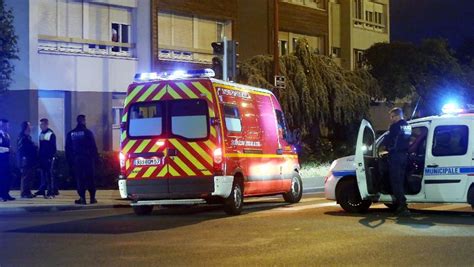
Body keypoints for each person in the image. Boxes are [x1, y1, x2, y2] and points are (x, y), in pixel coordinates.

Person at [383, 108, 412, 216]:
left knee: (396, 181)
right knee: (400, 180)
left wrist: (386, 144)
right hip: (404, 156)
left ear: (397, 116)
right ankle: (400, 204)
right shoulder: (407, 126)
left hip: (395, 156)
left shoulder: (395, 127)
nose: (391, 119)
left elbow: (389, 141)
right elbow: (406, 140)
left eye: (392, 117)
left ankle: (402, 206)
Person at [66, 115, 98, 205]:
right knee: (90, 178)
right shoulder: (88, 132)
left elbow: (68, 149)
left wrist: (70, 161)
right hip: (88, 159)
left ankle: (82, 198)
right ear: (83, 121)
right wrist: (96, 159)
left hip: (77, 159)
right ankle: (92, 198)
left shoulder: (71, 134)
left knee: (80, 179)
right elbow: (93, 147)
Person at [35, 118, 57, 198]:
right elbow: (41, 147)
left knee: (49, 174)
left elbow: (53, 147)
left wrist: (51, 157)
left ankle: (51, 191)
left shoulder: (51, 134)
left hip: (48, 158)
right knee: (43, 174)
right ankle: (42, 189)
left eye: (42, 124)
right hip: (42, 158)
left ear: (46, 124)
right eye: (40, 124)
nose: (41, 126)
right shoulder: (41, 133)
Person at [17, 121, 38, 198]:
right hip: (26, 160)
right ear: (25, 127)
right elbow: (21, 149)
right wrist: (33, 146)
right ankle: (24, 193)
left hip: (31, 160)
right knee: (25, 176)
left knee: (29, 177)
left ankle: (28, 191)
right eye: (29, 126)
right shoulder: (22, 137)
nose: (30, 127)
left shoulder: (28, 137)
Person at [0, 119, 15, 201]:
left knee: (8, 177)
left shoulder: (7, 135)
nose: (8, 127)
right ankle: (2, 194)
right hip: (1, 160)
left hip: (7, 160)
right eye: (7, 125)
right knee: (2, 178)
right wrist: (8, 150)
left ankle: (6, 193)